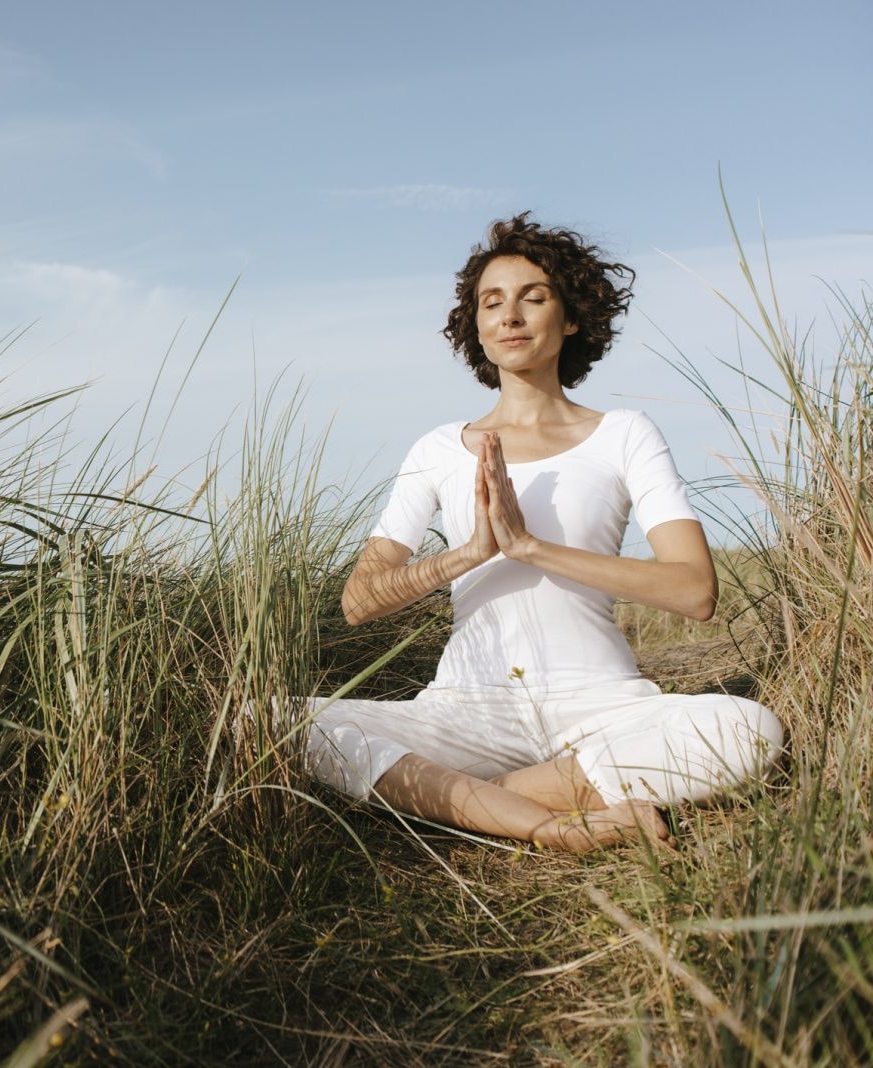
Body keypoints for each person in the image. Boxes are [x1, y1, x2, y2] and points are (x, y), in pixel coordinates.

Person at [303, 213, 783, 852]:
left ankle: (470, 799)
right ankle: (552, 824)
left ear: (573, 316)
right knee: (274, 723)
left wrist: (532, 548)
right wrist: (468, 554)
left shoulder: (623, 434)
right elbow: (358, 603)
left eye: (534, 297)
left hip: (602, 706)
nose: (511, 315)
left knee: (749, 729)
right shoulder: (439, 448)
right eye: (492, 302)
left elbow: (693, 591)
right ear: (477, 326)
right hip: (465, 711)